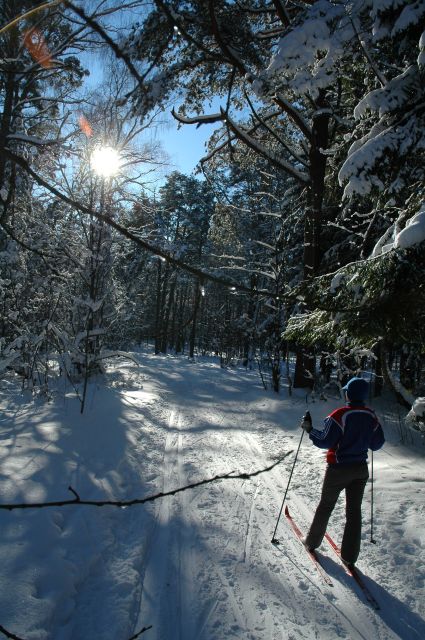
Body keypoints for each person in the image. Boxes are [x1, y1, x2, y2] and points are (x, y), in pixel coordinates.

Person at [301, 376, 385, 567]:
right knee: (354, 512)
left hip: (338, 470)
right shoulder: (371, 416)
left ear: (348, 394)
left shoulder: (340, 415)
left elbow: (325, 441)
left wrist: (309, 430)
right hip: (360, 471)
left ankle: (312, 542)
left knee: (326, 505)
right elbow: (377, 444)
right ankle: (350, 556)